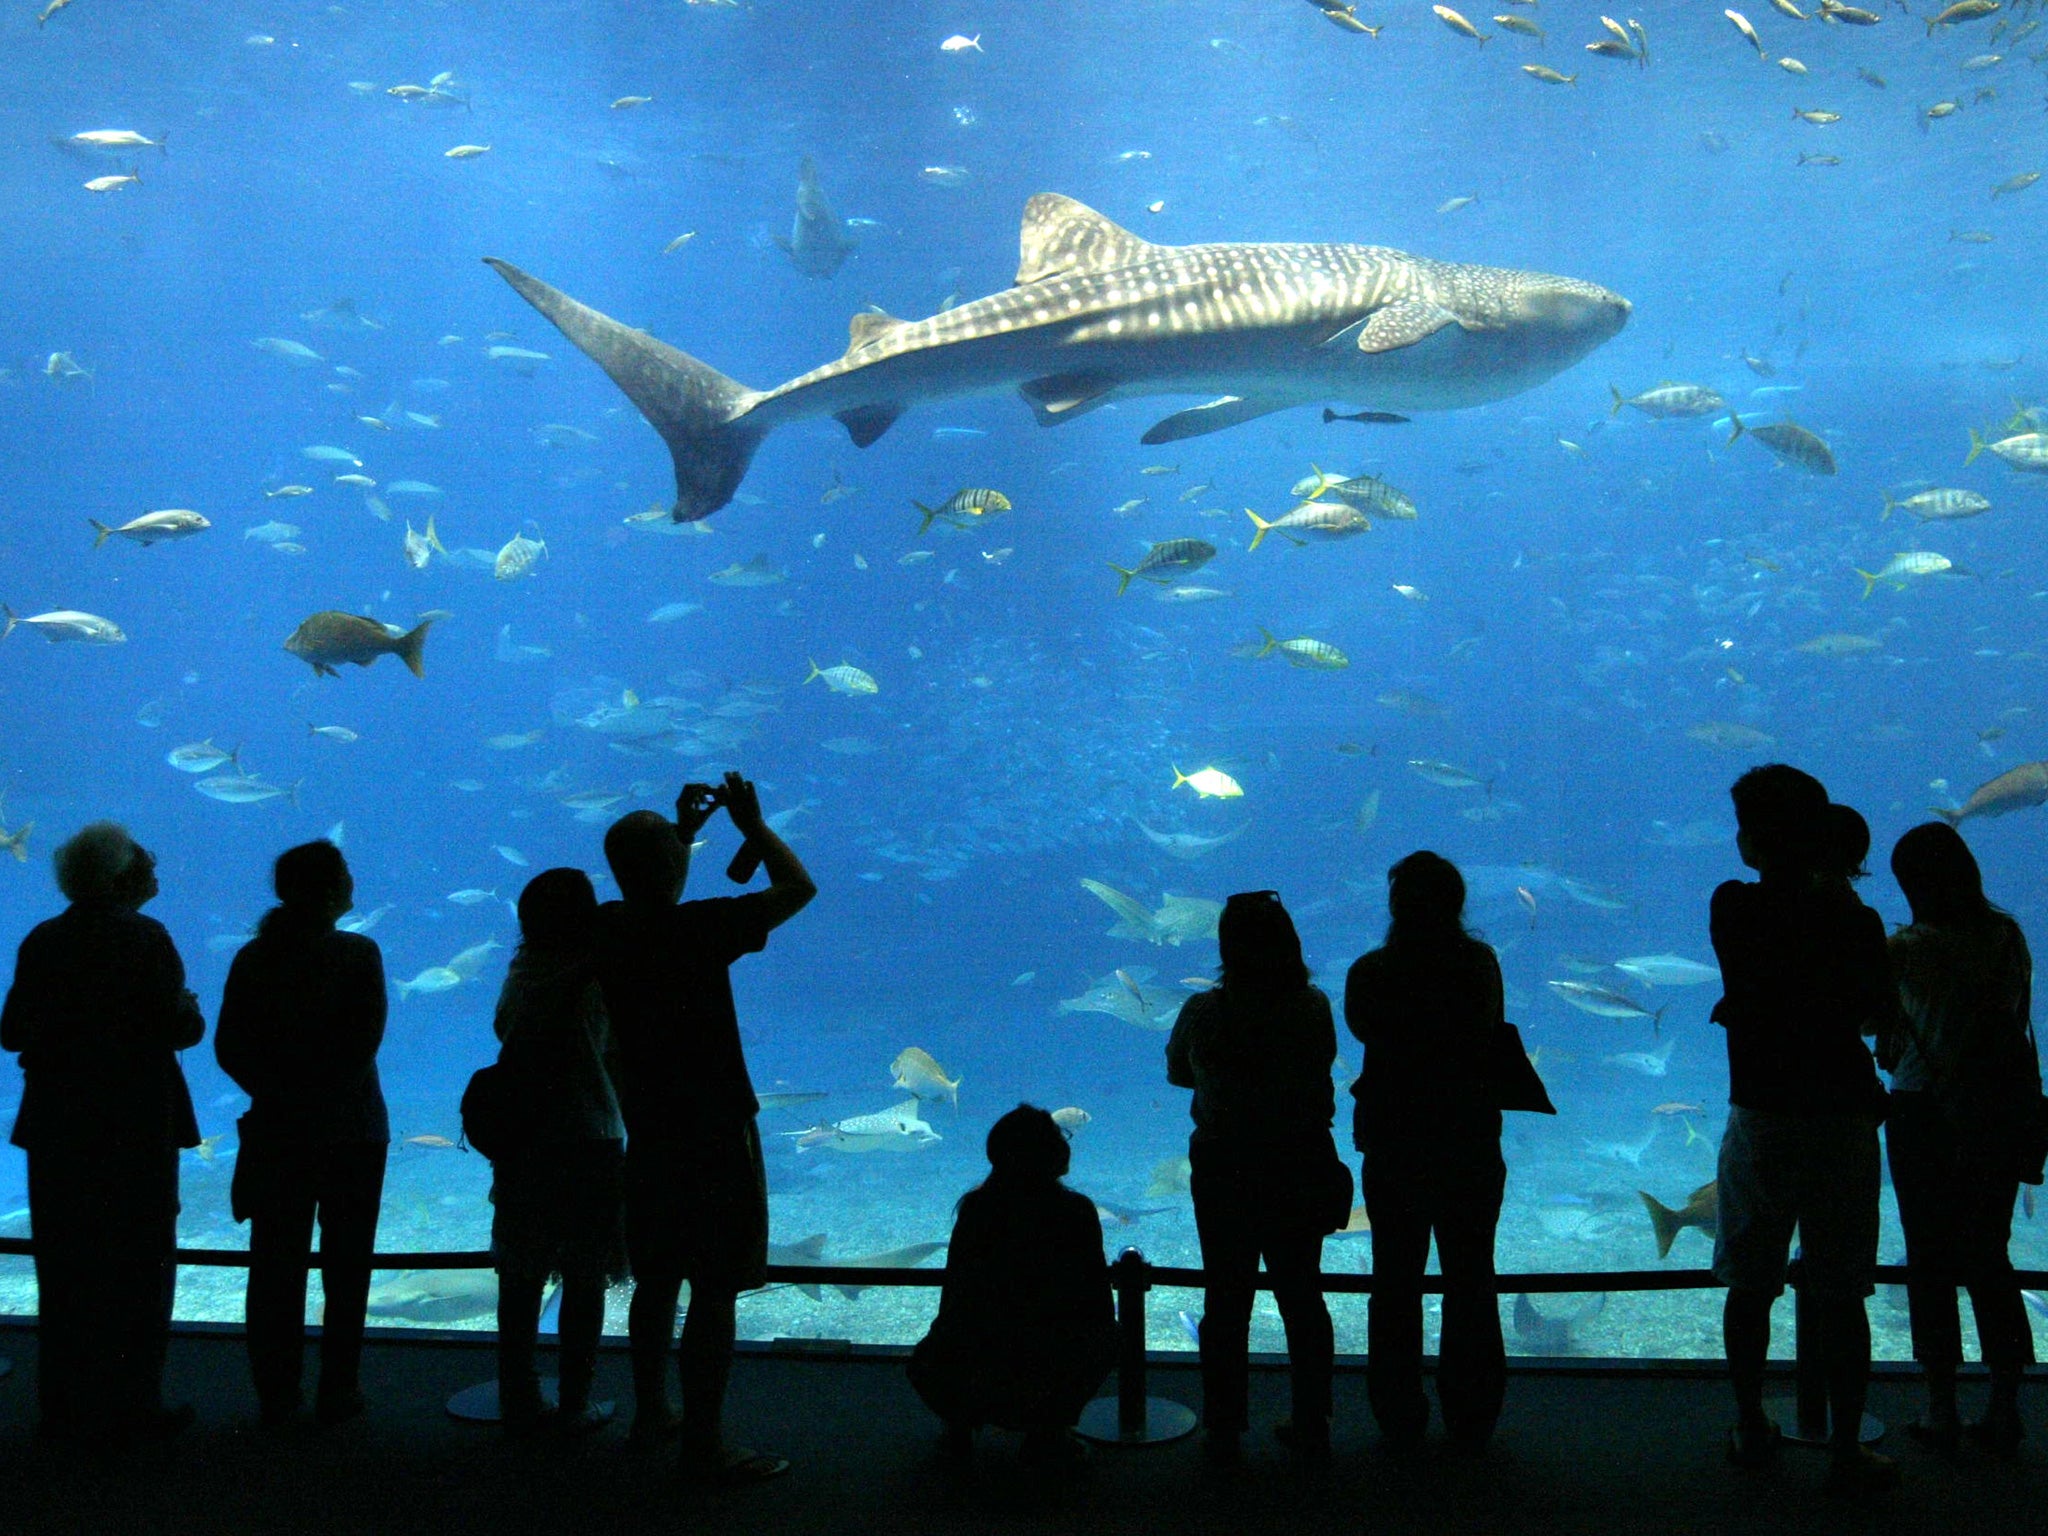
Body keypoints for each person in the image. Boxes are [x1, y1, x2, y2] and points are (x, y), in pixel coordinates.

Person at [594, 771, 815, 1484]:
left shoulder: (608, 928)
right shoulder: (704, 928)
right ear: (674, 869)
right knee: (715, 1288)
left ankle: (653, 1413)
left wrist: (679, 838)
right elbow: (797, 888)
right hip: (716, 1129)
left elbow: (647, 890)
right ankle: (706, 1444)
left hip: (649, 1132)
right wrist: (751, 827)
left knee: (656, 1282)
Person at [1709, 766, 1898, 1494]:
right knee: (1842, 1286)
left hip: (1764, 1114)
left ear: (1756, 838)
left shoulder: (1734, 906)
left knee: (1751, 1281)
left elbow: (1754, 992)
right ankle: (1847, 1447)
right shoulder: (1855, 919)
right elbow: (1872, 1013)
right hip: (1843, 1117)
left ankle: (1752, 1422)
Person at [1, 822, 203, 1444]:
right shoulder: (146, 938)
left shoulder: (44, 939)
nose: (154, 864)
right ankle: (134, 1406)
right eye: (145, 857)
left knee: (65, 1271)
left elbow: (11, 1033)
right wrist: (188, 1012)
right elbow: (177, 1030)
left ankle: (61, 1410)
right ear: (120, 875)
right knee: (140, 1268)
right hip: (135, 1126)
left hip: (59, 1127)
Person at [215, 839, 389, 1428]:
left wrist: (280, 1093)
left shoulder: (253, 958)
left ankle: (276, 1396)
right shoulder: (359, 953)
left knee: (274, 1264)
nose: (351, 880)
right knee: (348, 1267)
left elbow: (229, 1047)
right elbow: (364, 1042)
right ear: (331, 888)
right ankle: (339, 1390)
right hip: (354, 1133)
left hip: (278, 1131)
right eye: (344, 871)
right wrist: (323, 1095)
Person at [1166, 889, 1339, 1464]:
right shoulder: (1312, 1005)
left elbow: (1176, 1073)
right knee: (1302, 1295)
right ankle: (1313, 1420)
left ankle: (1224, 1423)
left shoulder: (1204, 1011)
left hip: (1225, 1168)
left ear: (1226, 948)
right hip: (1298, 1162)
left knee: (1227, 1295)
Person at [1881, 822, 2037, 1456]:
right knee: (1988, 1256)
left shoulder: (1907, 948)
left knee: (1930, 1259)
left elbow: (1875, 1025)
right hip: (1996, 1112)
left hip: (1920, 1113)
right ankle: (2005, 1405)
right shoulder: (2006, 937)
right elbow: (2015, 1021)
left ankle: (1941, 1405)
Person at [1345, 852, 1507, 1449]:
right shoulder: (1478, 964)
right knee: (1471, 1277)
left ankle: (1397, 1414)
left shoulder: (1369, 972)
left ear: (1395, 905)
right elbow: (1486, 1028)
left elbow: (1367, 1031)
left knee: (1395, 1280)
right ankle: (1473, 1414)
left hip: (1394, 1143)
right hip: (1466, 1139)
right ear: (1457, 904)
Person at [488, 867, 627, 1437]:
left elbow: (503, 1030)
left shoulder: (521, 971)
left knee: (519, 1276)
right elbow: (615, 1049)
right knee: (585, 1274)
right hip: (591, 1138)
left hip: (524, 1141)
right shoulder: (600, 975)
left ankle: (517, 1393)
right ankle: (575, 1399)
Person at [908, 1104, 1116, 1469]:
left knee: (951, 1341)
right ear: (1054, 1153)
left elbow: (956, 1293)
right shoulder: (1077, 1210)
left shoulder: (976, 1208)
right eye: (1059, 1138)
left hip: (977, 1356)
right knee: (1099, 1337)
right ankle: (1048, 1435)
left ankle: (958, 1429)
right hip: (1051, 1360)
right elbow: (1095, 1296)